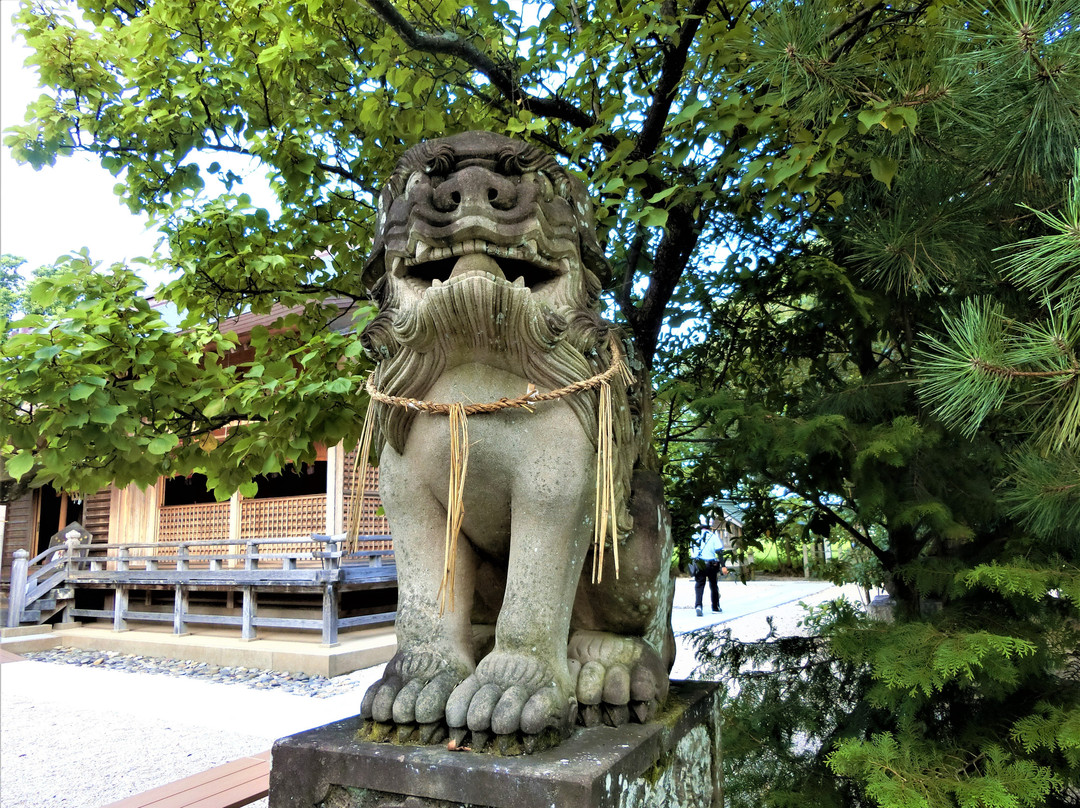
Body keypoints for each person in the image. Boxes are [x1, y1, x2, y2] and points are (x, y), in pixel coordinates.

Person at [692, 517, 729, 616]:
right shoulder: (713, 536)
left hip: (699, 564)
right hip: (711, 564)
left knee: (699, 585)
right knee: (713, 585)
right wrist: (723, 566)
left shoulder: (695, 536)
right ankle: (715, 607)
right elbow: (719, 552)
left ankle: (698, 606)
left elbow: (693, 553)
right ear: (710, 525)